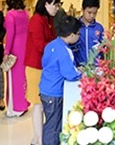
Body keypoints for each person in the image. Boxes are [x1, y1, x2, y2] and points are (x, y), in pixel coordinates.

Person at [24, 0, 62, 145]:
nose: (57, 8)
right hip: (35, 67)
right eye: (56, 4)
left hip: (46, 67)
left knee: (45, 104)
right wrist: (59, 47)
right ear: (46, 4)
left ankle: (41, 136)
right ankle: (38, 139)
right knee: (38, 104)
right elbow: (40, 46)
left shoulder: (48, 19)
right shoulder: (36, 20)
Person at [39, 16, 82, 145]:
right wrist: (80, 72)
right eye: (78, 34)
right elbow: (70, 74)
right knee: (53, 127)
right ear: (72, 35)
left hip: (45, 89)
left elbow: (45, 63)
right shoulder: (64, 51)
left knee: (50, 123)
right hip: (55, 94)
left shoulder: (52, 45)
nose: (79, 37)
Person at [3, 0, 30, 117]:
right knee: (22, 77)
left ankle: (15, 107)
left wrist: (6, 51)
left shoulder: (10, 15)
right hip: (25, 46)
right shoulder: (26, 13)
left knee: (13, 78)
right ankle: (23, 104)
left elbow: (10, 35)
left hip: (15, 47)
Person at [71, 0, 104, 66]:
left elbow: (103, 49)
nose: (92, 16)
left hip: (95, 68)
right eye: (89, 12)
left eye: (95, 13)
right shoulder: (75, 26)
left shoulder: (99, 28)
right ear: (82, 9)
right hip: (78, 67)